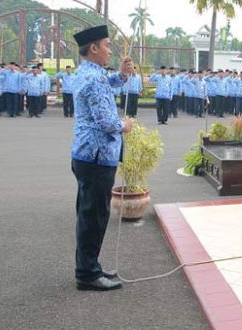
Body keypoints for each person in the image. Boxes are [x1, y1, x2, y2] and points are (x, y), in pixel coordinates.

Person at [70, 25, 133, 291]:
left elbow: (108, 84)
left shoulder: (89, 72)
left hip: (88, 155)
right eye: (107, 45)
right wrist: (124, 125)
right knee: (94, 216)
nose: (110, 50)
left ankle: (89, 266)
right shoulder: (93, 78)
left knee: (89, 213)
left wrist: (122, 74)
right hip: (96, 157)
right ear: (93, 48)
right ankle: (87, 274)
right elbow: (107, 121)